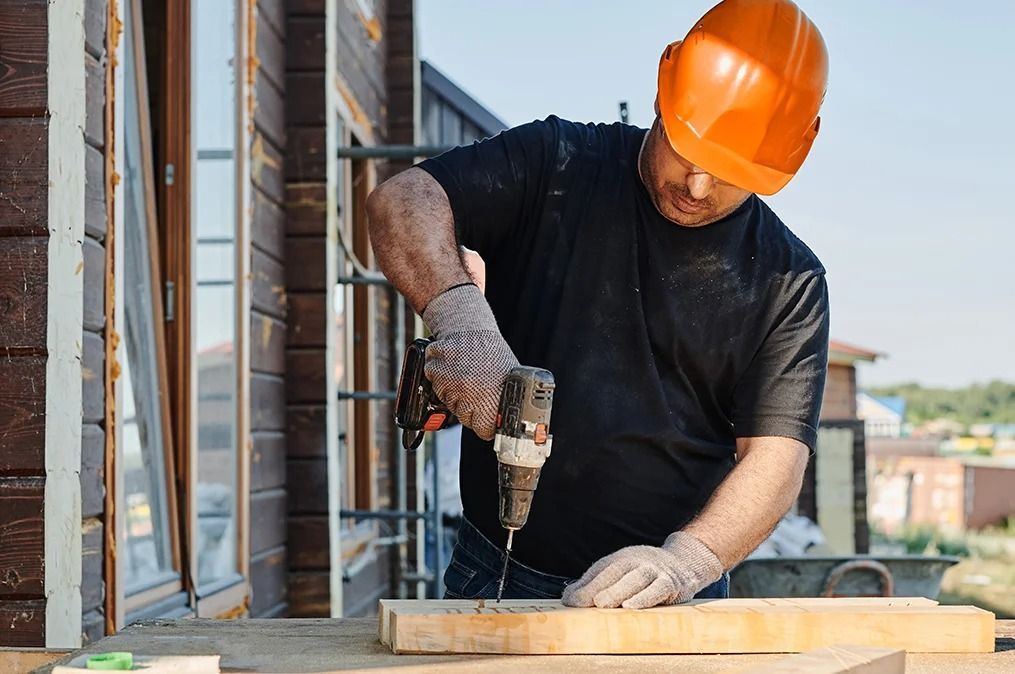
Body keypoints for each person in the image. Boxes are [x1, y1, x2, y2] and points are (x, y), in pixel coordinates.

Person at [367, 0, 830, 609]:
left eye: (727, 172)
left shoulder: (788, 279)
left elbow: (776, 461)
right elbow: (404, 199)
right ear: (663, 96)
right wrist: (457, 315)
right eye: (686, 151)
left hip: (666, 591)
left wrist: (688, 560)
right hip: (498, 568)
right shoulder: (556, 164)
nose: (697, 186)